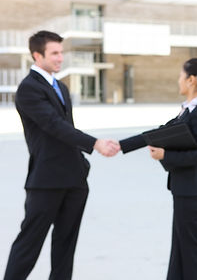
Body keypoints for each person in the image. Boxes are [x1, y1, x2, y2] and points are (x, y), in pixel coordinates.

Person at [4, 30, 120, 280]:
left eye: (61, 52)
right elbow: (54, 126)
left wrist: (82, 162)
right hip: (46, 180)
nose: (60, 58)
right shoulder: (28, 89)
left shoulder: (61, 87)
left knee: (65, 247)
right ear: (37, 55)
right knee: (29, 245)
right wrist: (96, 143)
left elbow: (68, 128)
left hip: (74, 179)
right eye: (54, 53)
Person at [119, 58, 197, 280]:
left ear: (191, 80)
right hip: (185, 189)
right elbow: (159, 133)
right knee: (181, 245)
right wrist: (122, 145)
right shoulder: (189, 110)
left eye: (180, 76)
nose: (178, 80)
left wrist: (167, 155)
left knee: (191, 248)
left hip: (193, 191)